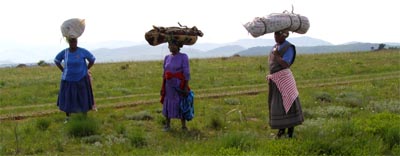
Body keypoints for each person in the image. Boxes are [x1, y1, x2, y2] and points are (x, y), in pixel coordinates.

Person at [266, 29, 304, 138]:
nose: (275, 36)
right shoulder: (275, 46)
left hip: (285, 80)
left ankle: (290, 133)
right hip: (276, 81)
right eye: (275, 34)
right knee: (278, 105)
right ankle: (281, 131)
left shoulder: (289, 47)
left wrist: (277, 55)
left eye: (278, 34)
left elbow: (286, 64)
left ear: (284, 35)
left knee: (289, 104)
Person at [54, 37, 96, 123]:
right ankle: (68, 117)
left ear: (77, 42)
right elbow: (56, 60)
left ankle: (84, 116)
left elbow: (92, 59)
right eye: (71, 41)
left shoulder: (82, 51)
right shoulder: (65, 52)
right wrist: (63, 70)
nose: (73, 43)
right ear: (68, 42)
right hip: (67, 79)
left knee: (83, 97)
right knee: (68, 98)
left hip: (81, 78)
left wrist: (86, 69)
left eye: (75, 41)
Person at [160, 40, 191, 131]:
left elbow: (186, 72)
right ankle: (167, 125)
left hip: (179, 84)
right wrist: (162, 86)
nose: (170, 47)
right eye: (169, 45)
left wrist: (185, 86)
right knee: (167, 102)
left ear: (178, 46)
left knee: (181, 103)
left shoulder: (183, 57)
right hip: (168, 85)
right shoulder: (167, 57)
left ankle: (183, 126)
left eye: (172, 45)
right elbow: (164, 72)